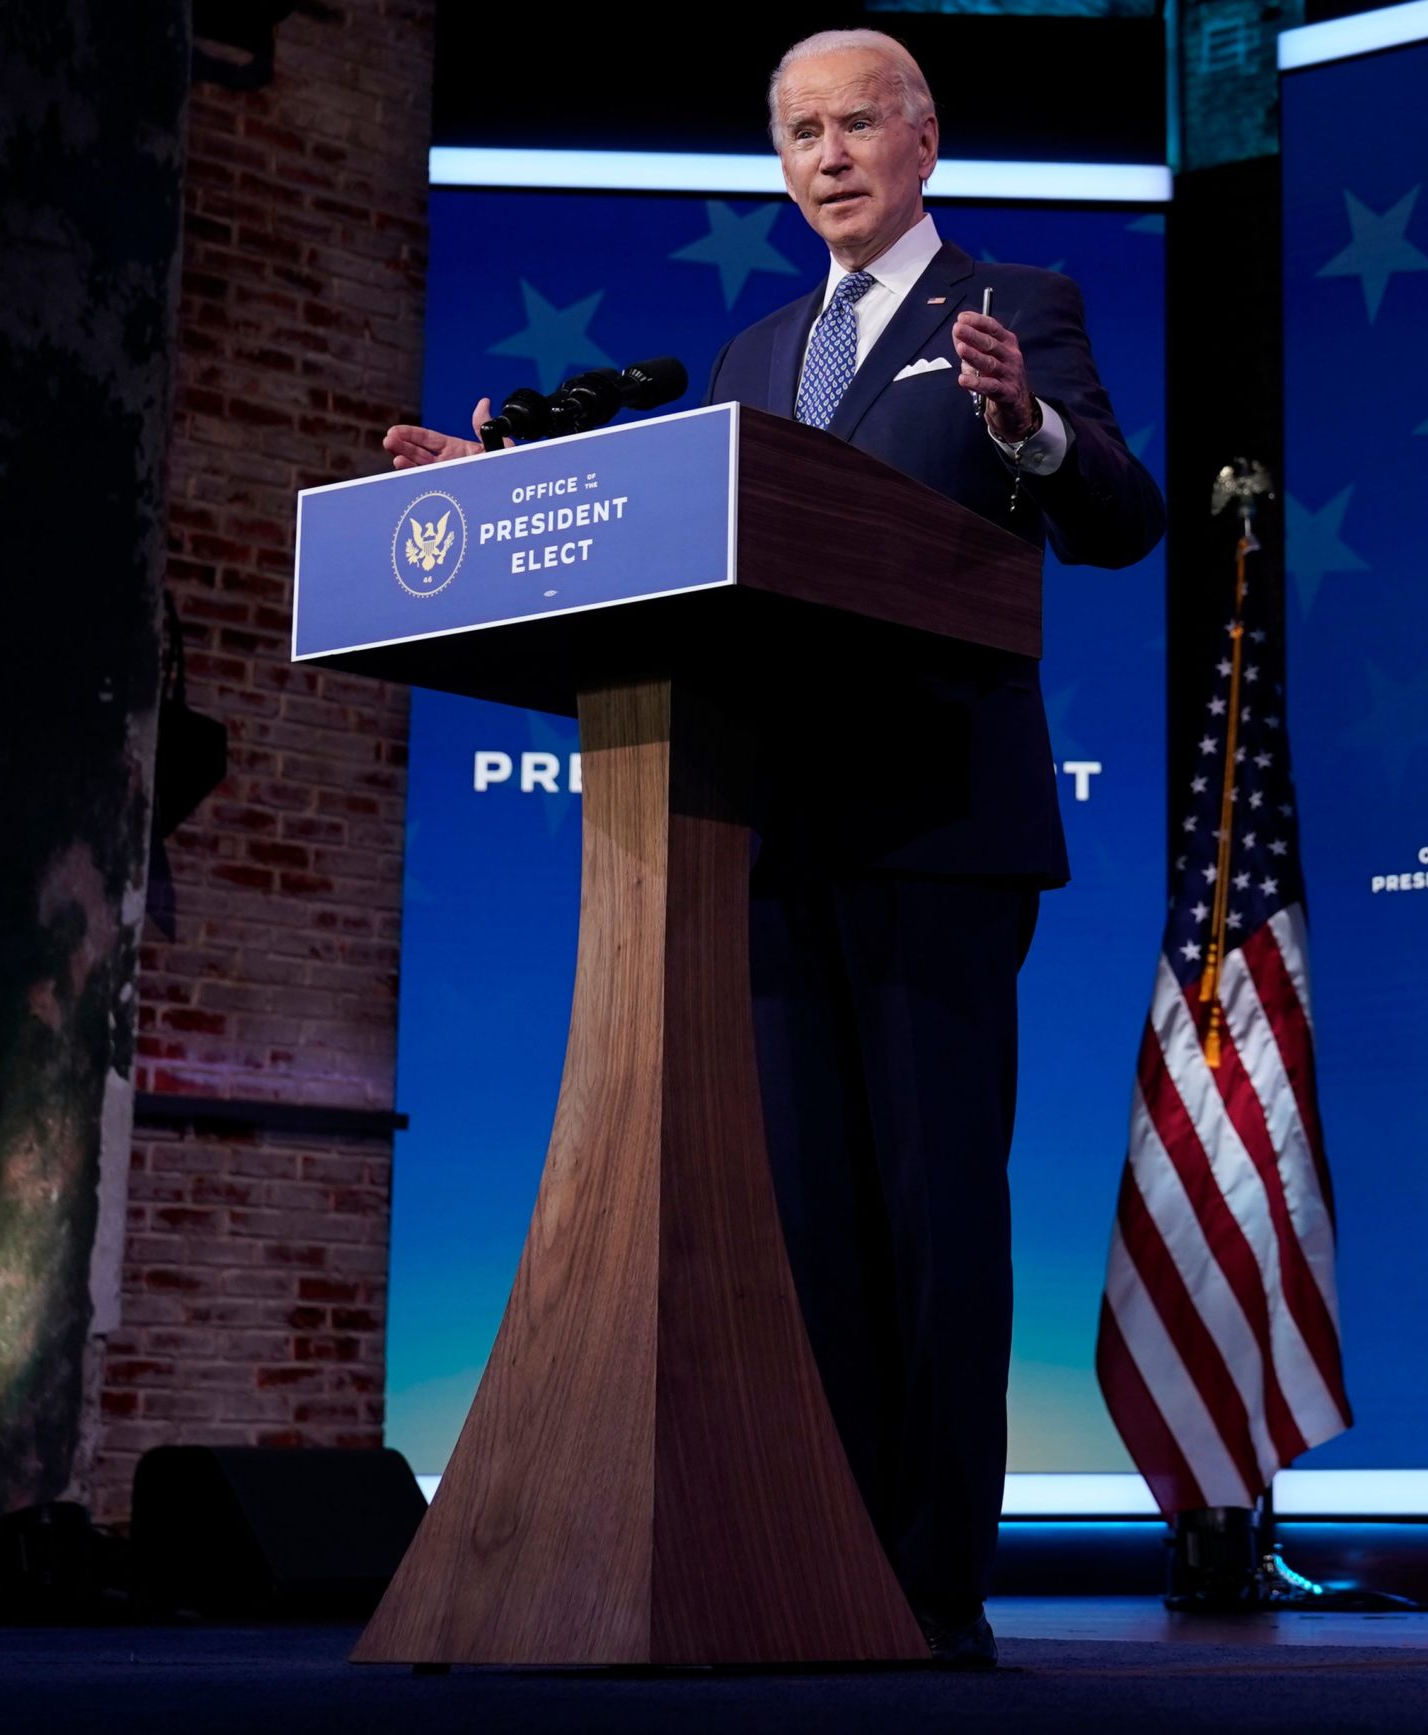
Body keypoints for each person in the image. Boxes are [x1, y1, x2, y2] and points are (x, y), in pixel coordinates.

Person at [382, 28, 1163, 1668]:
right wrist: (520, 493)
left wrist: (1023, 429)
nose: (828, 154)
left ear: (924, 139)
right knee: (805, 1219)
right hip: (771, 832)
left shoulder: (1020, 310)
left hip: (940, 823)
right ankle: (828, 1562)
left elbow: (1117, 516)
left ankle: (935, 1584)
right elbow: (700, 539)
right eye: (800, 131)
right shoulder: (752, 349)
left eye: (857, 122)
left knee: (932, 1211)